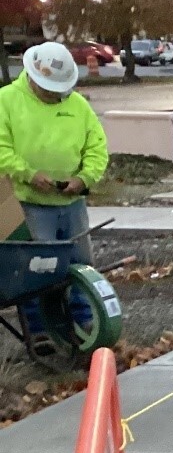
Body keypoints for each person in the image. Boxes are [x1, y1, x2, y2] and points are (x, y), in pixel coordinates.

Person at [0, 42, 109, 341]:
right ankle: (41, 332)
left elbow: (97, 147)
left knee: (81, 266)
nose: (56, 95)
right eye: (50, 90)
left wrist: (84, 178)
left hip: (71, 203)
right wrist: (28, 174)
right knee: (37, 272)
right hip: (30, 204)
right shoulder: (6, 101)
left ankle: (84, 323)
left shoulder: (77, 105)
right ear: (33, 78)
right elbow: (2, 149)